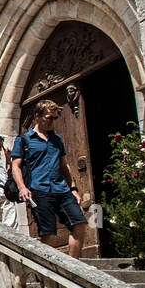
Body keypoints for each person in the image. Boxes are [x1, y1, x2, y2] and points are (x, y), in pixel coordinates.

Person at [12, 99, 88, 257]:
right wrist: (22, 188)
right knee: (49, 234)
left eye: (55, 118)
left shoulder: (57, 140)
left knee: (79, 224)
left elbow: (64, 165)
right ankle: (49, 273)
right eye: (49, 118)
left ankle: (74, 268)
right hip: (39, 190)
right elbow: (15, 166)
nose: (53, 121)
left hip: (61, 188)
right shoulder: (24, 140)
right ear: (37, 116)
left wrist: (73, 188)